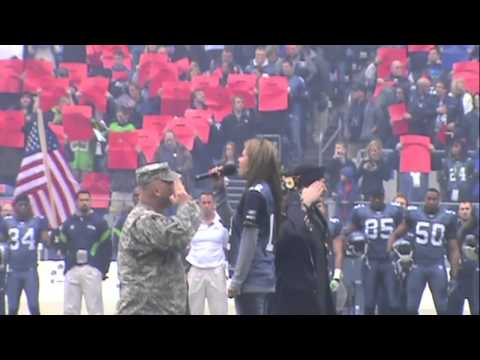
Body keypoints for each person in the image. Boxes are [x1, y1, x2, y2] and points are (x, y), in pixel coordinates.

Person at [116, 162, 201, 315]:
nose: (175, 188)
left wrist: (186, 205)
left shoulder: (155, 219)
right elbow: (179, 236)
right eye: (170, 183)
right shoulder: (142, 220)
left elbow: (187, 231)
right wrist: (185, 203)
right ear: (156, 190)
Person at [226, 138, 282, 315]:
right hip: (265, 275)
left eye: (243, 155)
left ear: (254, 161)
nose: (238, 160)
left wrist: (237, 280)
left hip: (252, 279)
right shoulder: (267, 190)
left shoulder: (254, 194)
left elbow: (249, 240)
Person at [271, 165, 336, 315]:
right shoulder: (287, 213)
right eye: (321, 183)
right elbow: (292, 236)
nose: (324, 189)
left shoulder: (316, 218)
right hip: (293, 297)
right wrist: (302, 204)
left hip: (316, 298)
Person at [388, 188, 461, 315]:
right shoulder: (414, 214)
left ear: (440, 201)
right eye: (429, 199)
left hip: (436, 265)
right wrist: (391, 252)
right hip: (417, 265)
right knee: (411, 307)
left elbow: (453, 248)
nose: (431, 202)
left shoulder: (447, 217)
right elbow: (395, 234)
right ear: (424, 200)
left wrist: (454, 275)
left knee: (442, 307)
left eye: (434, 199)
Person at [340, 188, 404, 315]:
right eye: (374, 197)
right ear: (369, 198)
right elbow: (348, 230)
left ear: (384, 196)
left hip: (389, 260)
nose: (377, 200)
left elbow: (403, 229)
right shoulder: (360, 212)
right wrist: (346, 239)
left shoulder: (395, 211)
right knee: (369, 302)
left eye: (379, 196)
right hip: (370, 260)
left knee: (393, 302)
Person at [57, 190, 112, 315]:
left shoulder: (100, 223)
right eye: (81, 200)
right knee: (70, 309)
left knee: (95, 309)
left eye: (87, 200)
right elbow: (62, 245)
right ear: (77, 202)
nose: (84, 203)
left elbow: (107, 248)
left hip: (92, 269)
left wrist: (103, 270)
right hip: (72, 269)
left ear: (91, 201)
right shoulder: (68, 223)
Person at [0, 194, 49, 315]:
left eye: (25, 205)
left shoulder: (37, 221)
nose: (23, 207)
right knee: (12, 308)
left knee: (33, 306)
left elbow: (46, 242)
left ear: (30, 206)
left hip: (30, 270)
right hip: (12, 271)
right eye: (20, 205)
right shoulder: (6, 222)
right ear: (14, 207)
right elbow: (2, 240)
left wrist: (46, 232)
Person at [186, 192, 229, 315]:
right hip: (195, 270)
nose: (206, 205)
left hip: (216, 270)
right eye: (203, 203)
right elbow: (186, 245)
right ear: (199, 205)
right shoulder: (192, 223)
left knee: (219, 310)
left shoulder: (222, 224)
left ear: (214, 205)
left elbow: (226, 245)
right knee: (193, 310)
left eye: (209, 202)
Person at [447, 202, 479, 315]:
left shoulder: (477, 228)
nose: (465, 211)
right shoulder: (452, 227)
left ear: (472, 211)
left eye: (467, 209)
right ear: (458, 212)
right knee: (453, 310)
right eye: (462, 209)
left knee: (476, 310)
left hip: (475, 276)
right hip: (458, 275)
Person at [111, 187, 140, 261]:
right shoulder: (124, 218)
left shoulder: (154, 214)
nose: (138, 198)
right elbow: (116, 237)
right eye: (135, 195)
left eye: (140, 195)